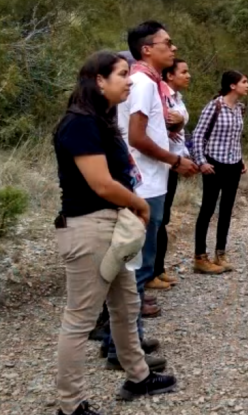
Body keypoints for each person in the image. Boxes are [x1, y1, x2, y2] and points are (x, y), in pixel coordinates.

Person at [53, 51, 177, 415]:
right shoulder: (79, 124)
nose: (129, 81)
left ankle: (138, 377)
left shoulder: (98, 120)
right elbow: (102, 184)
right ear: (98, 80)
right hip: (90, 230)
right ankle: (70, 405)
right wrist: (139, 206)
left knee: (125, 306)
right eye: (122, 74)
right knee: (80, 319)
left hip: (111, 228)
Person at [104, 22, 197, 369]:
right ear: (147, 49)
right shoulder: (143, 84)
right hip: (145, 187)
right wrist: (175, 160)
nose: (172, 49)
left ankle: (123, 342)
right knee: (136, 271)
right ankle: (124, 350)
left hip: (148, 182)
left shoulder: (148, 83)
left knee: (133, 269)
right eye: (167, 43)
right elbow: (138, 137)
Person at [191, 70, 248, 274]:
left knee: (226, 209)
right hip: (214, 164)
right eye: (244, 81)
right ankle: (200, 256)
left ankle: (221, 253)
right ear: (232, 86)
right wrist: (201, 162)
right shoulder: (214, 106)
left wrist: (240, 159)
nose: (247, 85)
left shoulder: (239, 109)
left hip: (233, 164)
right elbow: (198, 135)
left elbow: (235, 137)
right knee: (207, 209)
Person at [146, 58, 191, 290]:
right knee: (156, 219)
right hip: (162, 163)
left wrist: (180, 121)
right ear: (169, 76)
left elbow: (179, 125)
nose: (188, 75)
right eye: (184, 72)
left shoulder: (176, 98)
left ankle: (158, 268)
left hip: (172, 163)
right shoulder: (158, 94)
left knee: (163, 218)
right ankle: (150, 272)